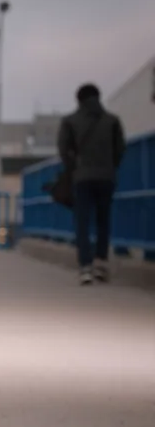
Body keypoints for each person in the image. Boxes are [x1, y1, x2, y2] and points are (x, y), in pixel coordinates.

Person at [57, 83, 127, 285]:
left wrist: (74, 168)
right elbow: (120, 149)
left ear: (78, 100)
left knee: (82, 221)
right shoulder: (112, 121)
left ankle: (85, 267)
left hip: (82, 177)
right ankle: (101, 264)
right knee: (103, 220)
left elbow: (64, 149)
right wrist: (110, 166)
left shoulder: (70, 121)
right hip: (106, 176)